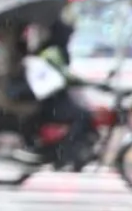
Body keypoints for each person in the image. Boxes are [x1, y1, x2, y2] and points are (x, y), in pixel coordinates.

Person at [17, 20, 94, 169]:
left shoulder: (47, 49)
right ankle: (65, 153)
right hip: (53, 102)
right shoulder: (54, 52)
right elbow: (65, 76)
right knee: (83, 116)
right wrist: (89, 82)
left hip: (51, 100)